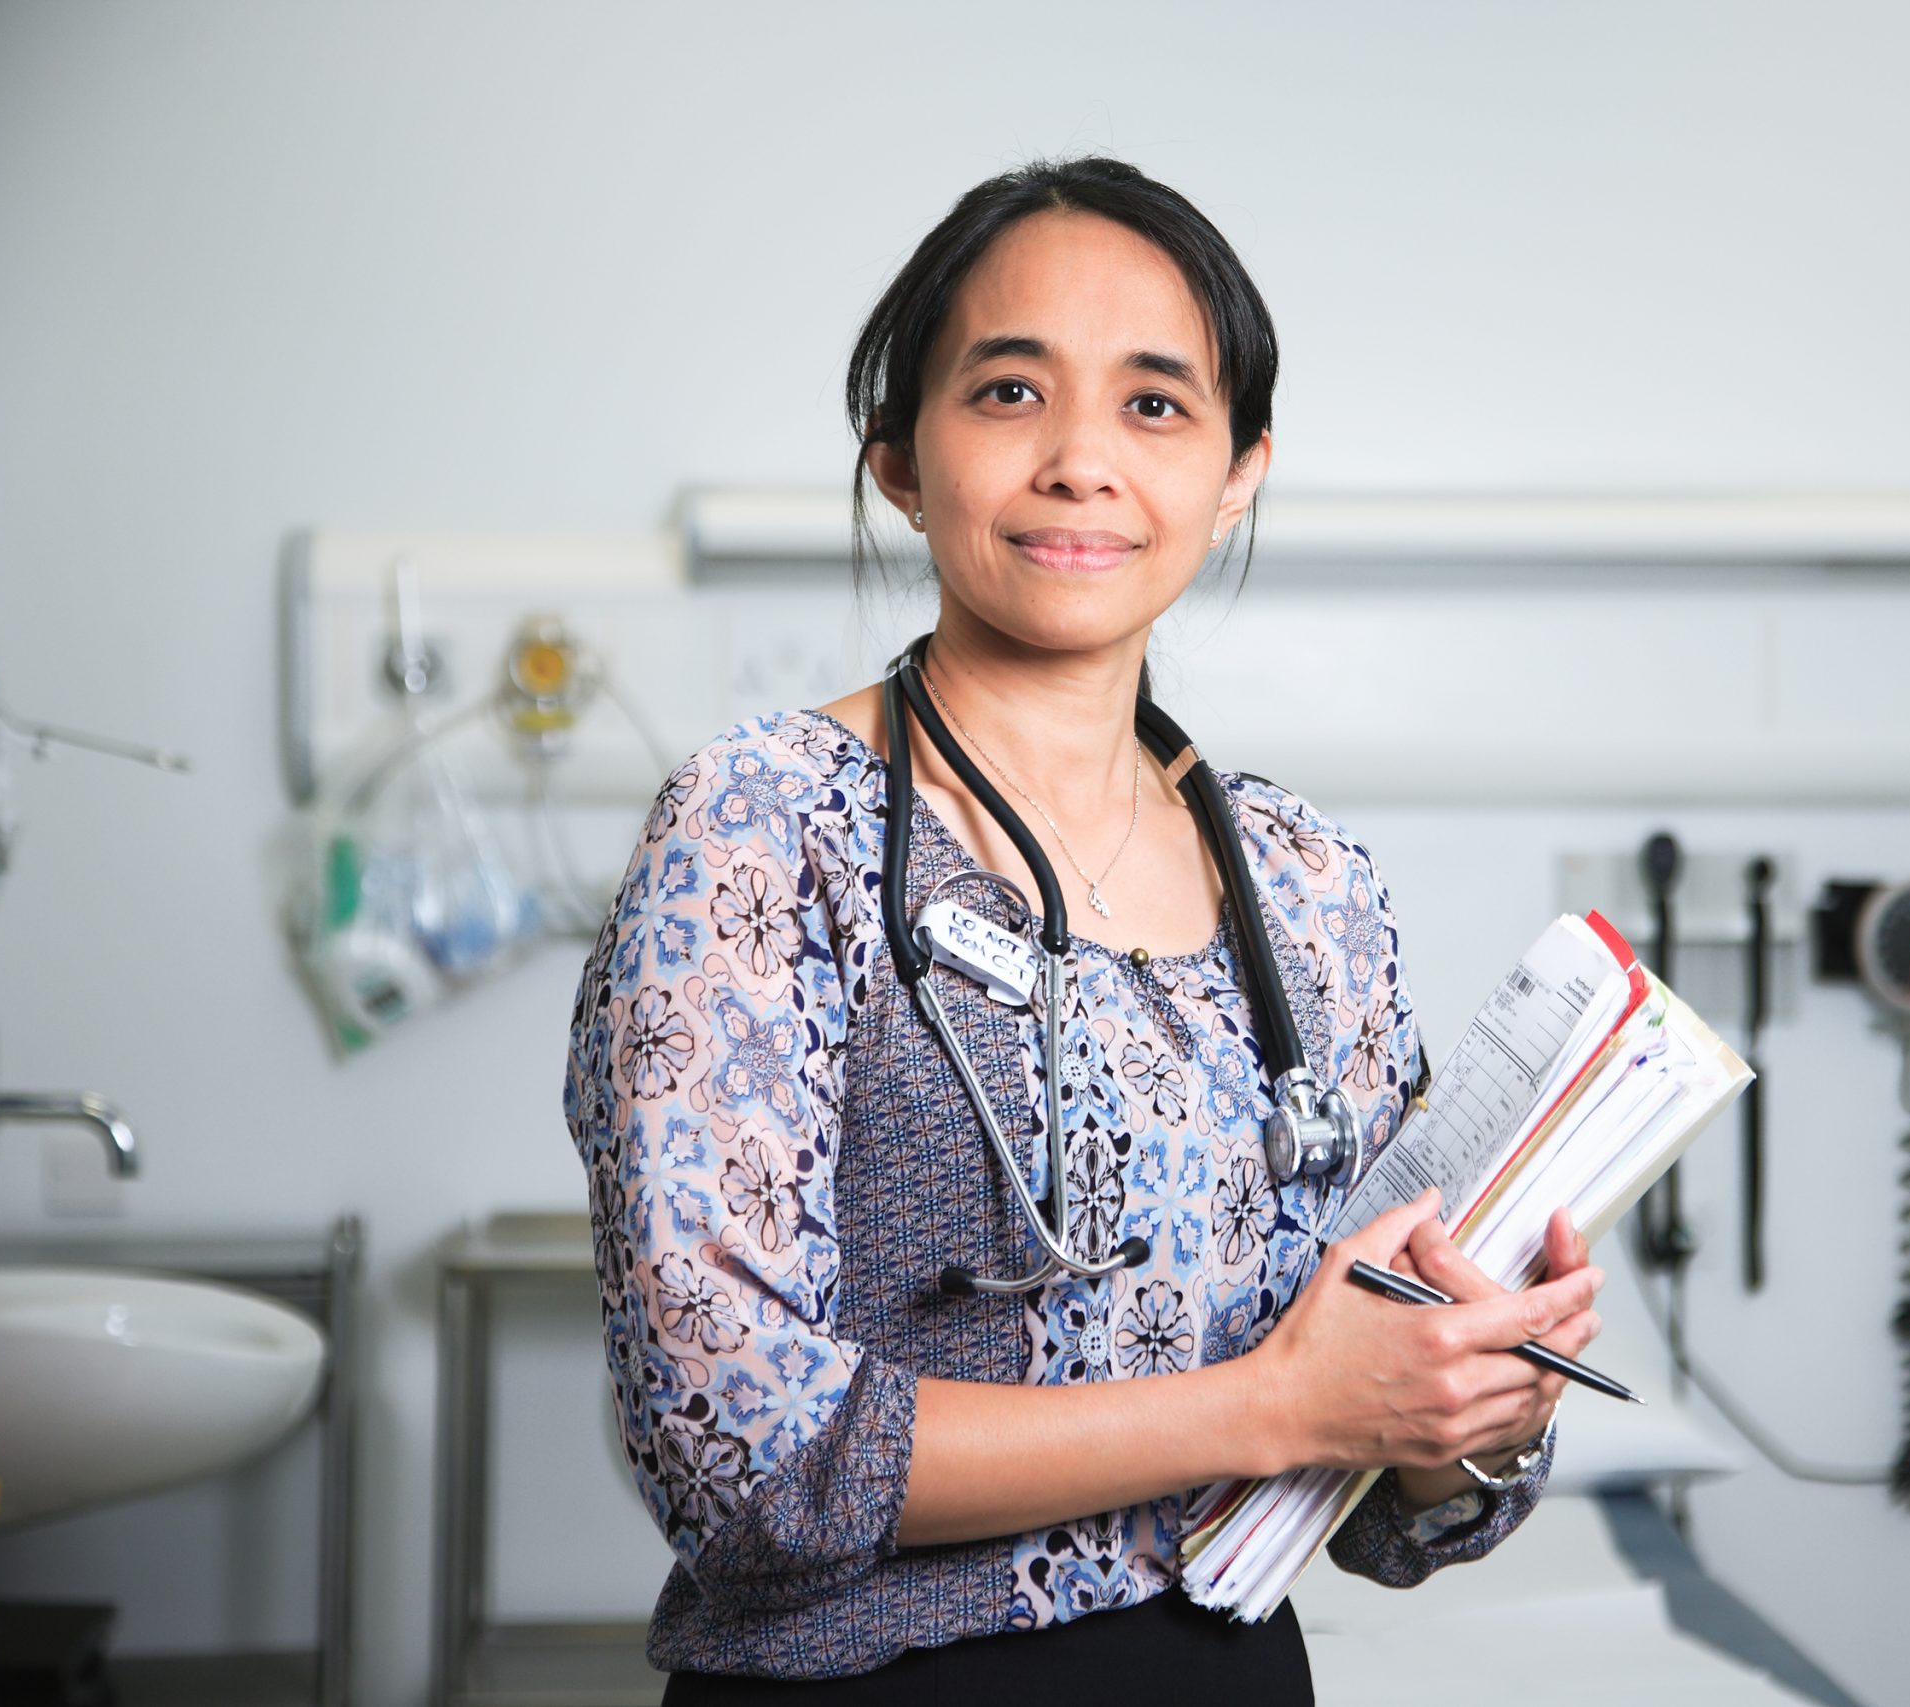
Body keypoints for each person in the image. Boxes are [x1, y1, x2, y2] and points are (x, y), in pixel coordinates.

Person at [563, 157, 1604, 1703]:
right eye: (1005, 394)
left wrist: (1474, 1404)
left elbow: (1396, 1521)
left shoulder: (1310, 892)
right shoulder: (762, 829)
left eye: (1156, 406)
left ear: (1241, 467)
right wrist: (1281, 1407)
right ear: (900, 459)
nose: (1080, 462)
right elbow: (739, 1450)